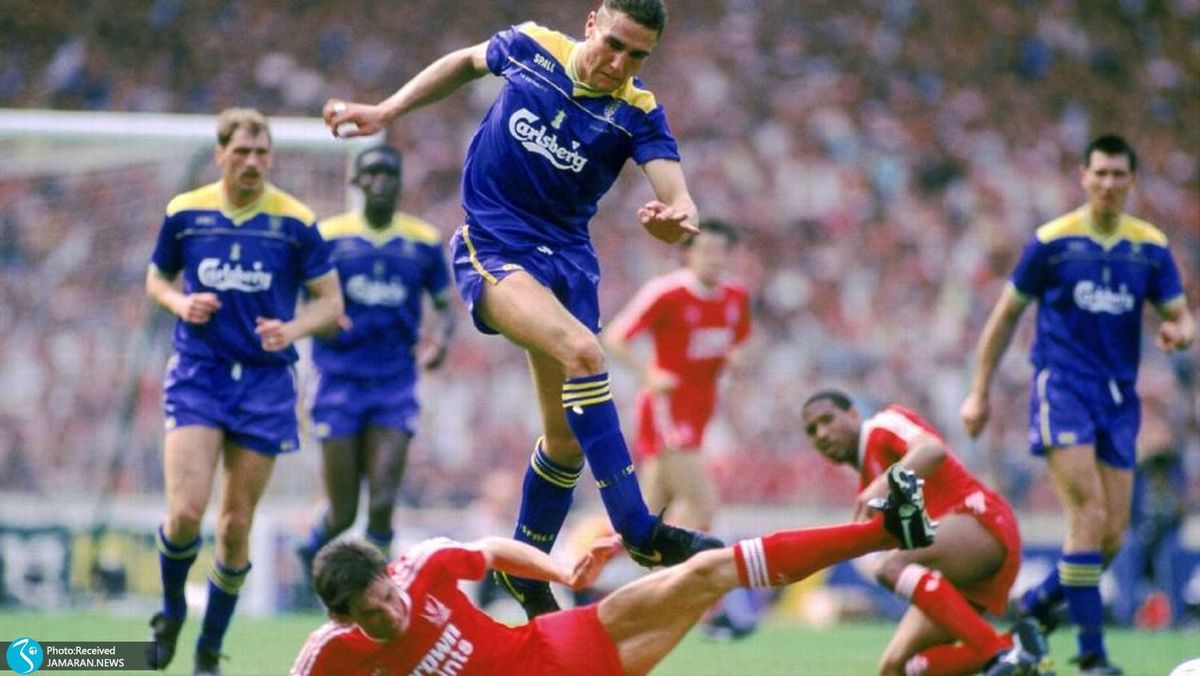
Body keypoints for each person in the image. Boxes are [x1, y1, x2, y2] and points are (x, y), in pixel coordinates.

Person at [322, 0, 720, 619]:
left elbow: (679, 196)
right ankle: (638, 528)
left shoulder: (637, 112)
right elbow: (464, 62)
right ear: (591, 23)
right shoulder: (532, 48)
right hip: (495, 246)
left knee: (565, 443)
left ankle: (524, 570)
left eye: (637, 55)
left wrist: (677, 220)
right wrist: (388, 110)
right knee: (585, 353)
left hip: (568, 265)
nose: (620, 63)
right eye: (614, 44)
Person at [290, 465, 936, 676]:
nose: (393, 610)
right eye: (375, 614)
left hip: (553, 644)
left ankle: (884, 531)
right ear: (343, 617)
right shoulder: (329, 654)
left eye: (388, 595)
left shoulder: (420, 568)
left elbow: (490, 549)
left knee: (710, 570)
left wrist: (562, 571)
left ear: (387, 574)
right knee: (705, 582)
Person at [959, 134, 1195, 674]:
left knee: (1111, 536)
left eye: (1118, 174)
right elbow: (1005, 316)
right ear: (1083, 177)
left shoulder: (1150, 248)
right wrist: (979, 391)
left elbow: (1181, 318)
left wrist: (1179, 333)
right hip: (1062, 388)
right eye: (1100, 173)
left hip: (1119, 399)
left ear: (1132, 181)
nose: (1108, 183)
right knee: (1087, 517)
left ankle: (1035, 605)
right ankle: (1092, 655)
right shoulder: (1053, 242)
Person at [144, 107, 344, 675]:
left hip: (264, 383)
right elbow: (156, 278)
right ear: (221, 155)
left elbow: (331, 303)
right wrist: (180, 302)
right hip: (200, 373)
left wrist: (294, 328)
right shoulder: (186, 213)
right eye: (242, 152)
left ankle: (209, 649)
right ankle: (170, 612)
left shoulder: (295, 221)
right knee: (186, 513)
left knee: (235, 527)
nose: (253, 162)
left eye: (262, 153)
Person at [801, 389, 1046, 676]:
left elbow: (932, 449)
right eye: (812, 430)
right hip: (954, 566)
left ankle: (998, 653)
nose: (822, 433)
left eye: (828, 420)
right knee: (896, 668)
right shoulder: (867, 484)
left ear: (853, 414)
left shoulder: (883, 426)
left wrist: (884, 484)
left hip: (981, 523)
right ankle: (1016, 646)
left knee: (890, 566)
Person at [296, 144, 455, 577]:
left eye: (390, 174)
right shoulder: (329, 236)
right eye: (373, 173)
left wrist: (440, 342)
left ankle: (378, 595)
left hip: (394, 384)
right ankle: (310, 551)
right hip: (337, 381)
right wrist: (321, 319)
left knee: (382, 502)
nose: (381, 182)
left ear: (401, 184)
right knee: (343, 513)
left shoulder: (423, 241)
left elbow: (445, 306)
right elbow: (304, 299)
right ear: (357, 182)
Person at [604, 218, 750, 532]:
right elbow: (615, 337)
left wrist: (736, 357)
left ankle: (598, 550)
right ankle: (676, 563)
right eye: (707, 250)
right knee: (702, 505)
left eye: (721, 251)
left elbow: (738, 342)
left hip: (702, 409)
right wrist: (648, 375)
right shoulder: (667, 292)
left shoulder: (735, 296)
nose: (715, 259)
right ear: (688, 253)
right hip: (667, 410)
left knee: (651, 509)